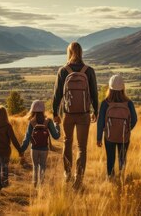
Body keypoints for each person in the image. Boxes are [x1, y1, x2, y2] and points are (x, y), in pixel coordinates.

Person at [52, 42, 98, 188]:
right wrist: (95, 111)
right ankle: (79, 177)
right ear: (81, 52)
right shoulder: (89, 71)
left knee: (67, 142)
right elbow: (94, 94)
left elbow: (57, 95)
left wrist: (55, 113)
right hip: (84, 114)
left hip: (68, 114)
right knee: (81, 147)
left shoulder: (63, 71)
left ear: (69, 52)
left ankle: (67, 173)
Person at [96, 75, 138, 178]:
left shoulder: (105, 103)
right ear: (123, 88)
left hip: (109, 137)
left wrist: (98, 138)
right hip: (124, 136)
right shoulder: (129, 103)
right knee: (122, 158)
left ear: (110, 88)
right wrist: (127, 129)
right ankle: (121, 178)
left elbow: (100, 122)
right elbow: (134, 119)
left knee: (110, 158)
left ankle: (110, 178)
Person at [20, 100, 61, 187]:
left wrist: (21, 150)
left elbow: (27, 139)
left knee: (35, 166)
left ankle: (34, 184)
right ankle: (41, 185)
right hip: (44, 149)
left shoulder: (31, 122)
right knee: (42, 166)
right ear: (43, 110)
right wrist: (57, 125)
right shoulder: (48, 121)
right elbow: (56, 136)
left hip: (34, 148)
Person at [0, 105, 22, 190]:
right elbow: (13, 139)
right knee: (5, 167)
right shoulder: (8, 126)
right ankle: (5, 184)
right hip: (6, 151)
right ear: (5, 115)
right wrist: (20, 150)